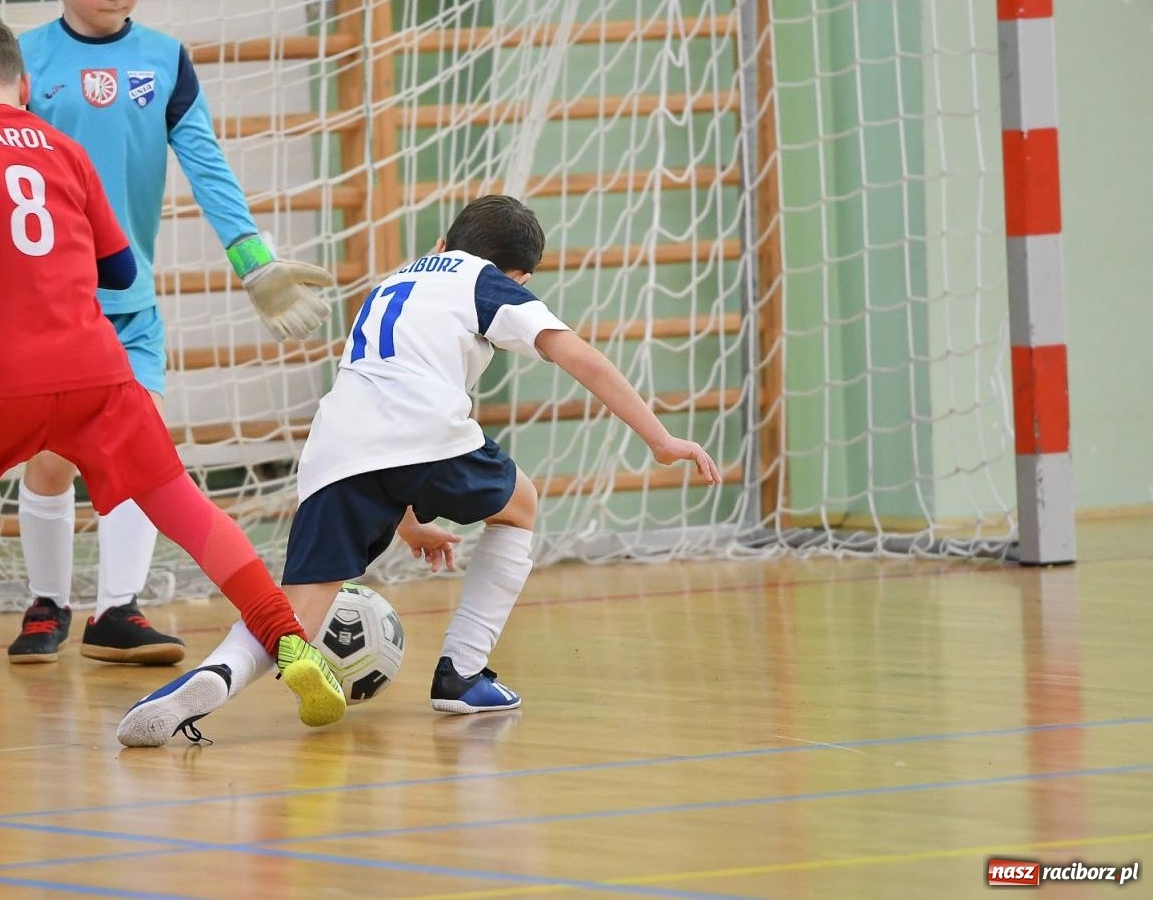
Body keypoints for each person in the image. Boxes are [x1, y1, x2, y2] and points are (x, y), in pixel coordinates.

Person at [0, 12, 344, 733]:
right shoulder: (63, 148)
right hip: (95, 369)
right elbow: (118, 266)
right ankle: (291, 641)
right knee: (187, 509)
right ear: (24, 86)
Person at [115, 195, 721, 746]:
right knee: (522, 502)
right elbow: (577, 355)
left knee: (294, 615)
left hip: (336, 446)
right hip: (424, 432)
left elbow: (382, 426)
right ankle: (462, 670)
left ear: (440, 243)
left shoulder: (393, 281)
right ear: (520, 278)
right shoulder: (484, 281)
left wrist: (406, 522)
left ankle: (213, 676)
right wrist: (661, 438)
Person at [6, 0, 334, 666]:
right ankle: (48, 603)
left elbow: (207, 164)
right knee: (49, 457)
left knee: (136, 447)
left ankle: (116, 610)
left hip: (129, 301)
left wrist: (252, 257)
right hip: (45, 306)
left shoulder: (165, 61)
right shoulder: (22, 64)